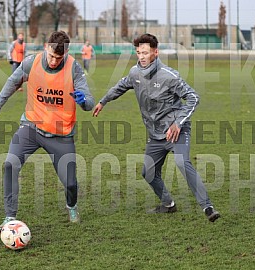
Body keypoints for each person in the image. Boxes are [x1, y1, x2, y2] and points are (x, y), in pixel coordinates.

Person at [93, 33, 220, 222]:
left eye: (145, 52)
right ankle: (168, 204)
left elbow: (193, 97)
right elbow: (120, 87)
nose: (141, 56)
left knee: (181, 162)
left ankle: (207, 207)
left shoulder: (169, 76)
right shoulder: (134, 73)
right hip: (155, 134)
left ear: (155, 52)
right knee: (148, 172)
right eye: (138, 52)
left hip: (176, 131)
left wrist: (178, 123)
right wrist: (103, 101)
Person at [0, 30, 95, 232]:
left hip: (61, 135)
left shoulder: (74, 68)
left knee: (70, 184)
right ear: (46, 47)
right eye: (52, 55)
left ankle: (71, 206)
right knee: (10, 164)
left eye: (59, 57)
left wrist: (84, 101)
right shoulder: (31, 62)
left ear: (66, 53)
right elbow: (12, 83)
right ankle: (10, 216)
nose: (54, 61)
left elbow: (89, 101)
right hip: (31, 127)